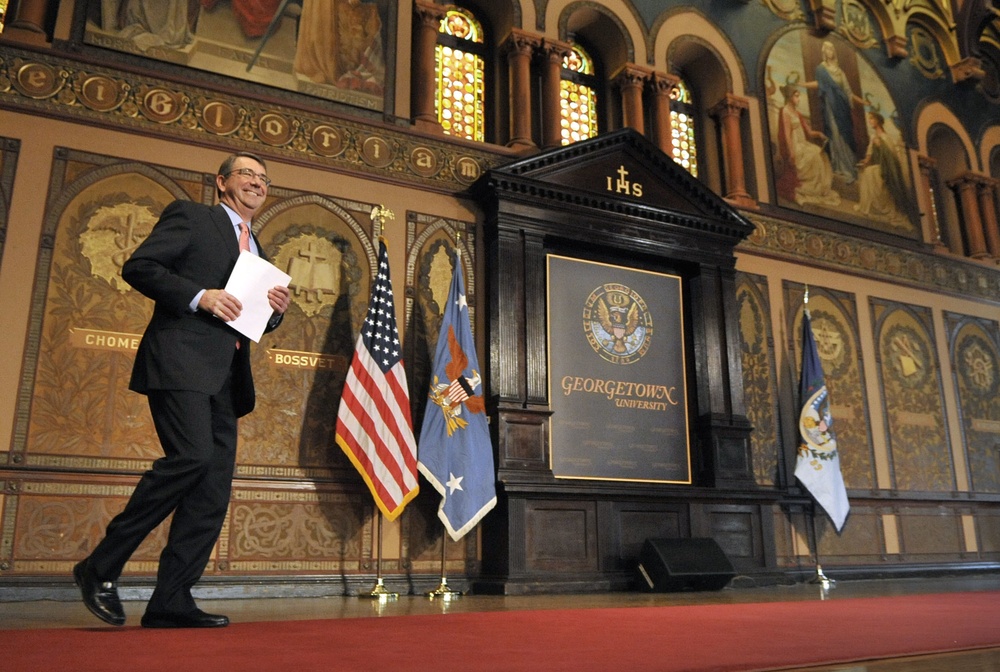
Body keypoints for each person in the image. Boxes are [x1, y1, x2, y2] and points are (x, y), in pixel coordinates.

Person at [73, 151, 291, 629]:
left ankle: (171, 599)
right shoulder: (192, 217)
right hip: (180, 361)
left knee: (211, 490)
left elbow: (254, 320)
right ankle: (100, 566)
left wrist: (276, 309)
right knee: (190, 458)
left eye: (263, 177)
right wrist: (200, 296)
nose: (256, 182)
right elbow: (141, 267)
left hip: (228, 377)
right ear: (221, 182)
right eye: (246, 174)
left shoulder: (260, 247)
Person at [803, 40, 866, 184]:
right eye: (827, 50)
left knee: (846, 135)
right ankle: (838, 166)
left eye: (831, 49)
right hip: (831, 108)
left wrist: (862, 102)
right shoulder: (821, 69)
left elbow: (848, 92)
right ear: (824, 53)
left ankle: (850, 169)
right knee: (835, 134)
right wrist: (802, 84)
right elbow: (819, 84)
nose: (829, 52)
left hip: (843, 108)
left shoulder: (840, 72)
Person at [775, 84, 841, 207]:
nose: (798, 99)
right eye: (796, 96)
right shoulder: (785, 111)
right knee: (814, 155)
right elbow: (787, 134)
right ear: (790, 97)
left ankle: (817, 188)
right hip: (795, 145)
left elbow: (809, 132)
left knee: (818, 152)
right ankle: (808, 186)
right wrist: (791, 152)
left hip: (803, 143)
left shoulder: (797, 113)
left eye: (798, 96)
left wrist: (819, 134)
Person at [855, 110, 910, 226]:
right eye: (869, 119)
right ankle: (871, 206)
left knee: (871, 172)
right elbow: (869, 154)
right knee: (867, 171)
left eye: (872, 119)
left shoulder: (885, 138)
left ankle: (880, 206)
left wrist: (880, 144)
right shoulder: (873, 137)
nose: (870, 121)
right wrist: (864, 162)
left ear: (878, 121)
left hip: (887, 169)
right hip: (878, 166)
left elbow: (891, 158)